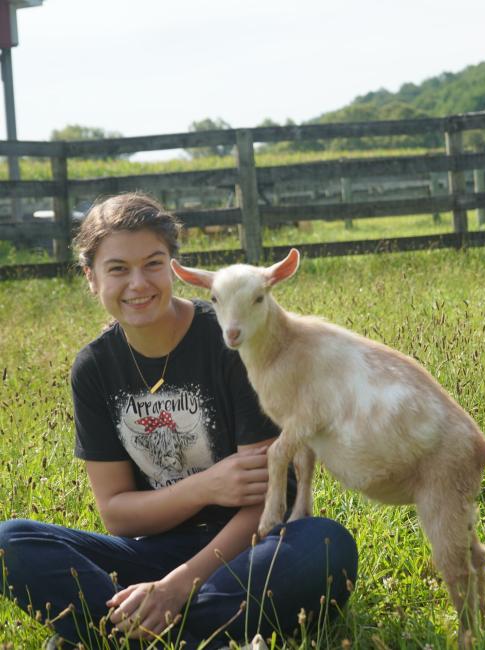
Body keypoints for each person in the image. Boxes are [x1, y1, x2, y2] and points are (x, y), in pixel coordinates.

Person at [0, 193, 358, 649]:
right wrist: (207, 486)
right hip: (152, 552)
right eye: (117, 269)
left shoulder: (232, 339)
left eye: (153, 263)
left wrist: (178, 587)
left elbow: (266, 498)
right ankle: (193, 636)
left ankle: (118, 635)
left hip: (251, 548)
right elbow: (117, 513)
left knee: (325, 544)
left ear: (173, 266)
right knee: (10, 541)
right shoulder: (93, 368)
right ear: (91, 278)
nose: (138, 284)